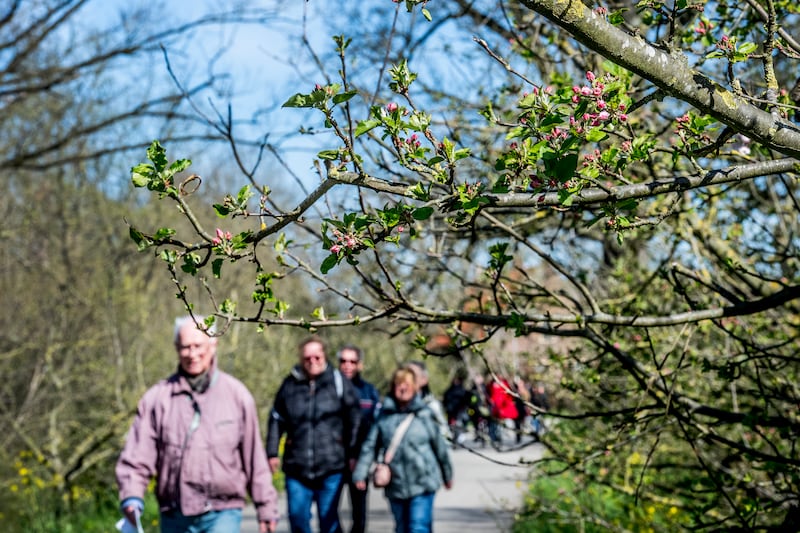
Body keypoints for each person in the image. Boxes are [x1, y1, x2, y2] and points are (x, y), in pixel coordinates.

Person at [115, 315, 279, 533]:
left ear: (213, 344)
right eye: (185, 347)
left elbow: (254, 458)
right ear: (176, 348)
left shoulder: (237, 396)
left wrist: (266, 507)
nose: (192, 354)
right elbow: (137, 455)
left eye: (198, 346)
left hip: (223, 511)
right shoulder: (157, 399)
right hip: (174, 514)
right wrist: (132, 495)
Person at [266, 335, 362, 533]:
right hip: (296, 467)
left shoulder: (338, 382)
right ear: (301, 359)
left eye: (317, 357)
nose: (312, 361)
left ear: (324, 356)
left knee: (329, 520)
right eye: (307, 358)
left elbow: (355, 420)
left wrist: (353, 453)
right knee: (297, 519)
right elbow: (276, 418)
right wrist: (272, 451)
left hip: (331, 466)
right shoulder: (289, 385)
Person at [353, 366, 453, 533]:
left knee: (418, 527)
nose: (403, 388)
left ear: (415, 387)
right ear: (393, 387)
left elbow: (440, 447)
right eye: (399, 384)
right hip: (396, 485)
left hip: (423, 483)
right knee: (402, 528)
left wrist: (447, 475)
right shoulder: (384, 416)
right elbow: (370, 446)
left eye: (407, 384)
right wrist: (360, 473)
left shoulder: (424, 414)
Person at [337, 344, 381, 533]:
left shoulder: (369, 392)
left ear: (360, 364)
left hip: (360, 462)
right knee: (328, 511)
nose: (347, 365)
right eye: (343, 361)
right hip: (333, 462)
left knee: (359, 514)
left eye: (352, 361)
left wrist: (370, 460)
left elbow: (377, 428)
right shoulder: (328, 390)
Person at [406, 360, 450, 440]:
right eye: (405, 374)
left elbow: (445, 435)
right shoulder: (393, 405)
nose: (407, 378)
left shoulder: (432, 406)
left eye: (412, 375)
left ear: (424, 380)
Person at [442, 372, 469, 446]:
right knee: (451, 426)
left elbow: (465, 400)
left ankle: (458, 439)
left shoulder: (462, 390)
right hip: (451, 411)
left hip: (459, 411)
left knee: (459, 425)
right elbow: (445, 400)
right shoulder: (449, 391)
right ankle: (454, 439)